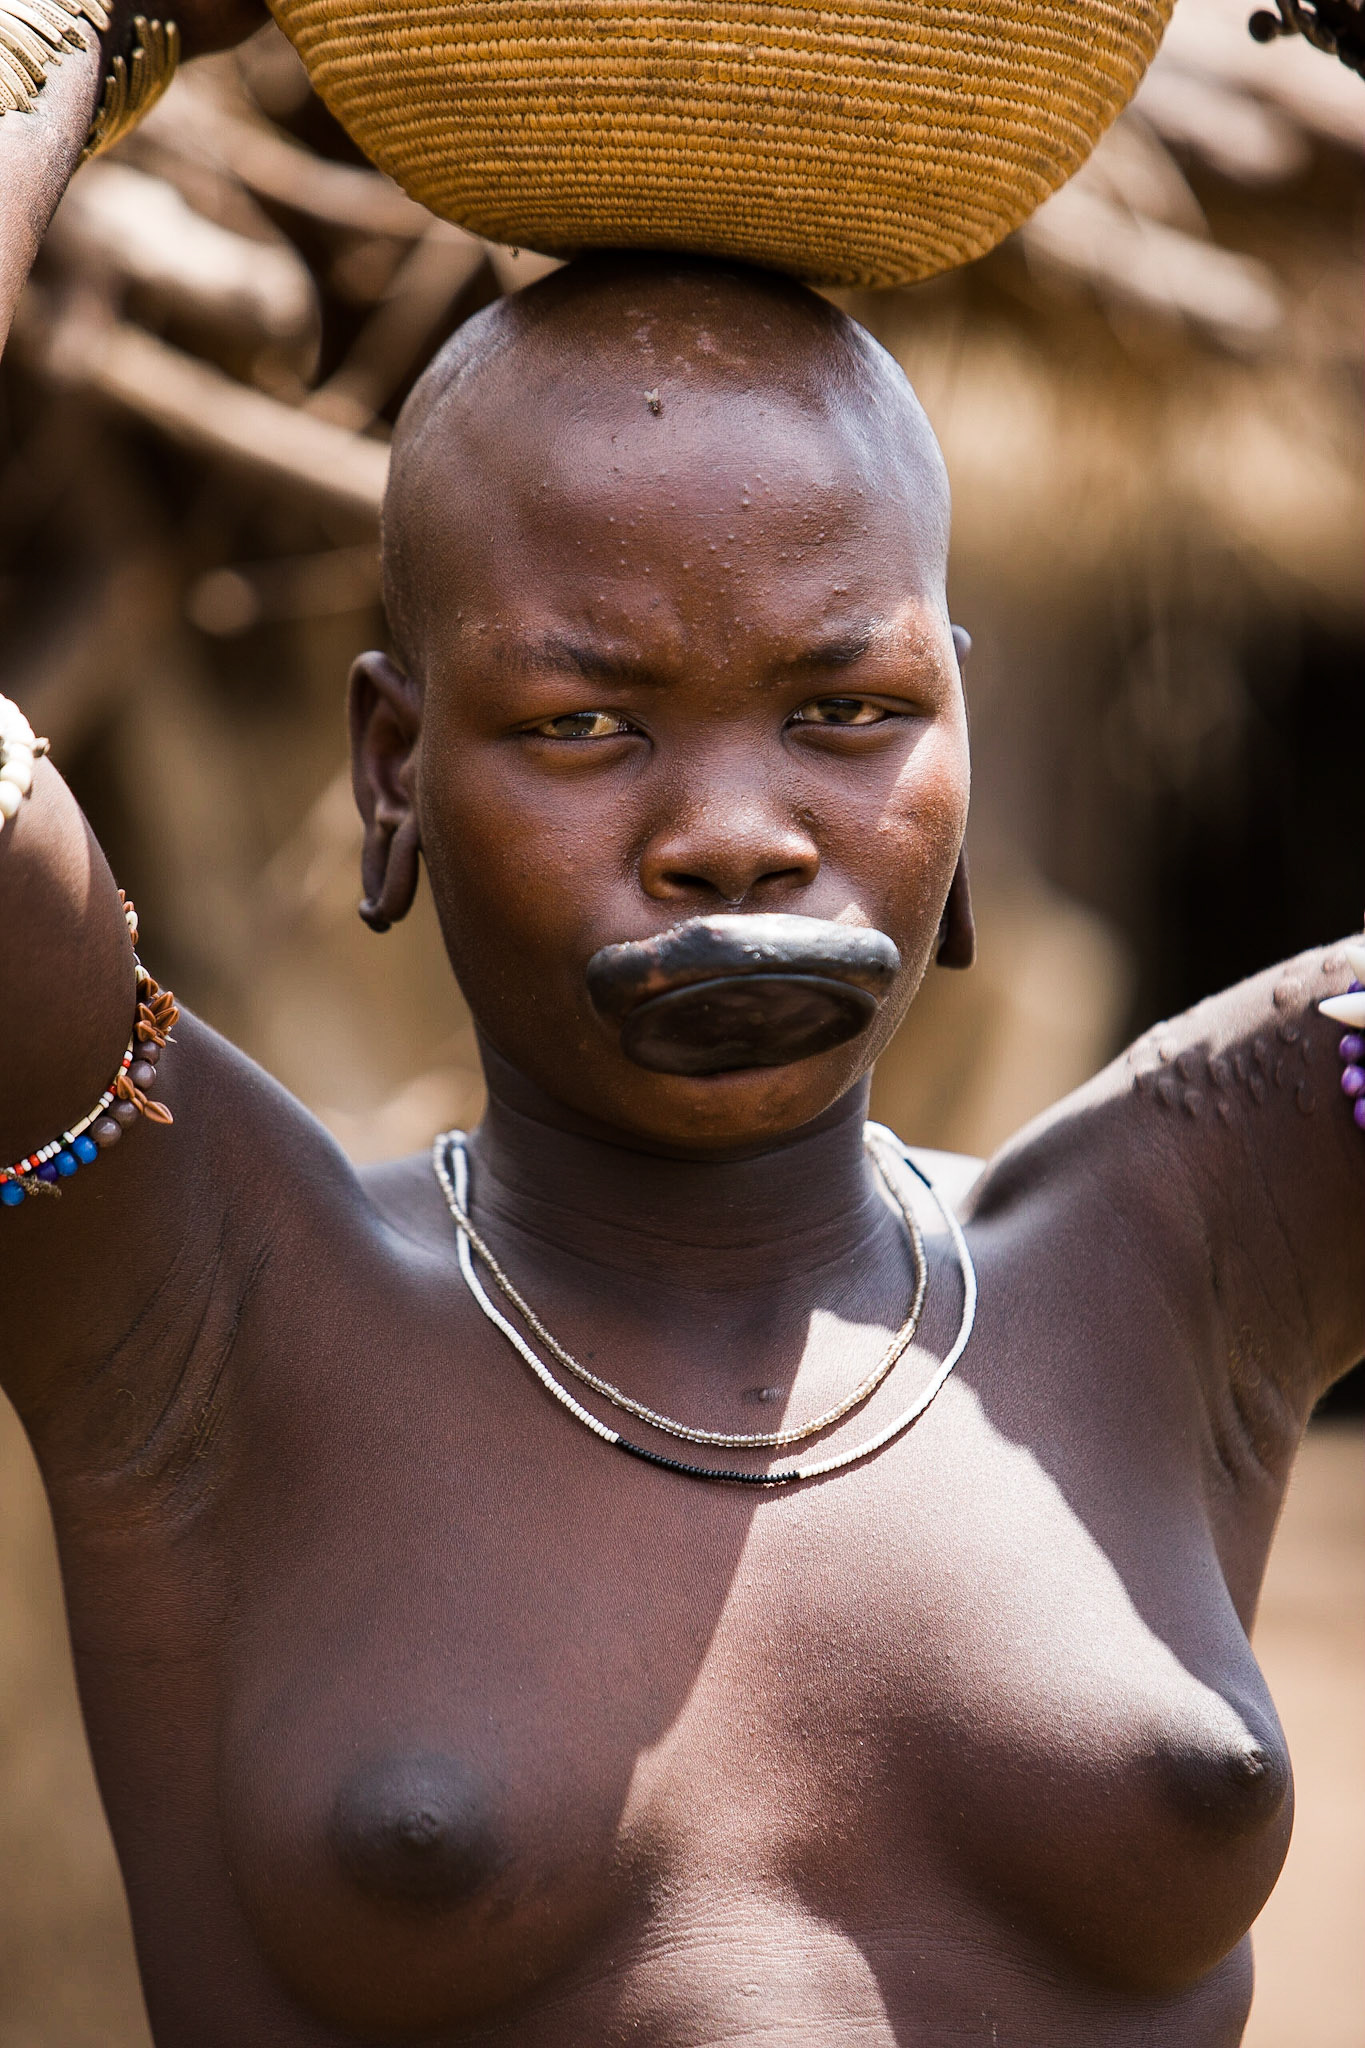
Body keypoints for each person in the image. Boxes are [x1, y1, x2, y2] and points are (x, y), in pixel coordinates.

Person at [2, 18, 1363, 2046]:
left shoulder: (1211, 1216)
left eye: (847, 712)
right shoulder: (197, 1290)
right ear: (391, 768)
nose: (733, 831)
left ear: (961, 732)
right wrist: (68, 45)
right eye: (584, 721)